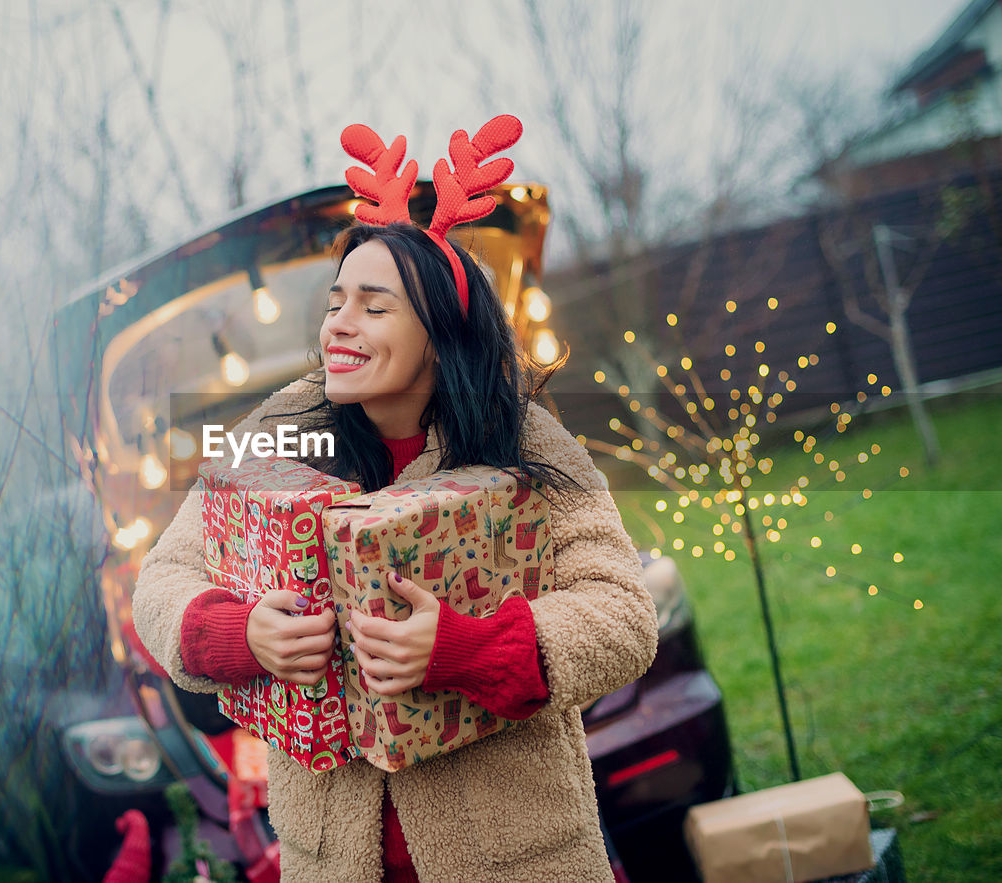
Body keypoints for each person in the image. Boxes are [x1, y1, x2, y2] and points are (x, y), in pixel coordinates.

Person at [133, 120, 657, 882]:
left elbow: (621, 614)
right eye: (336, 302)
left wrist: (465, 649)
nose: (340, 323)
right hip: (334, 862)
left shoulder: (523, 440)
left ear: (441, 336)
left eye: (374, 307)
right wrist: (243, 633)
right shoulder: (285, 433)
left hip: (520, 858)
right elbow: (163, 577)